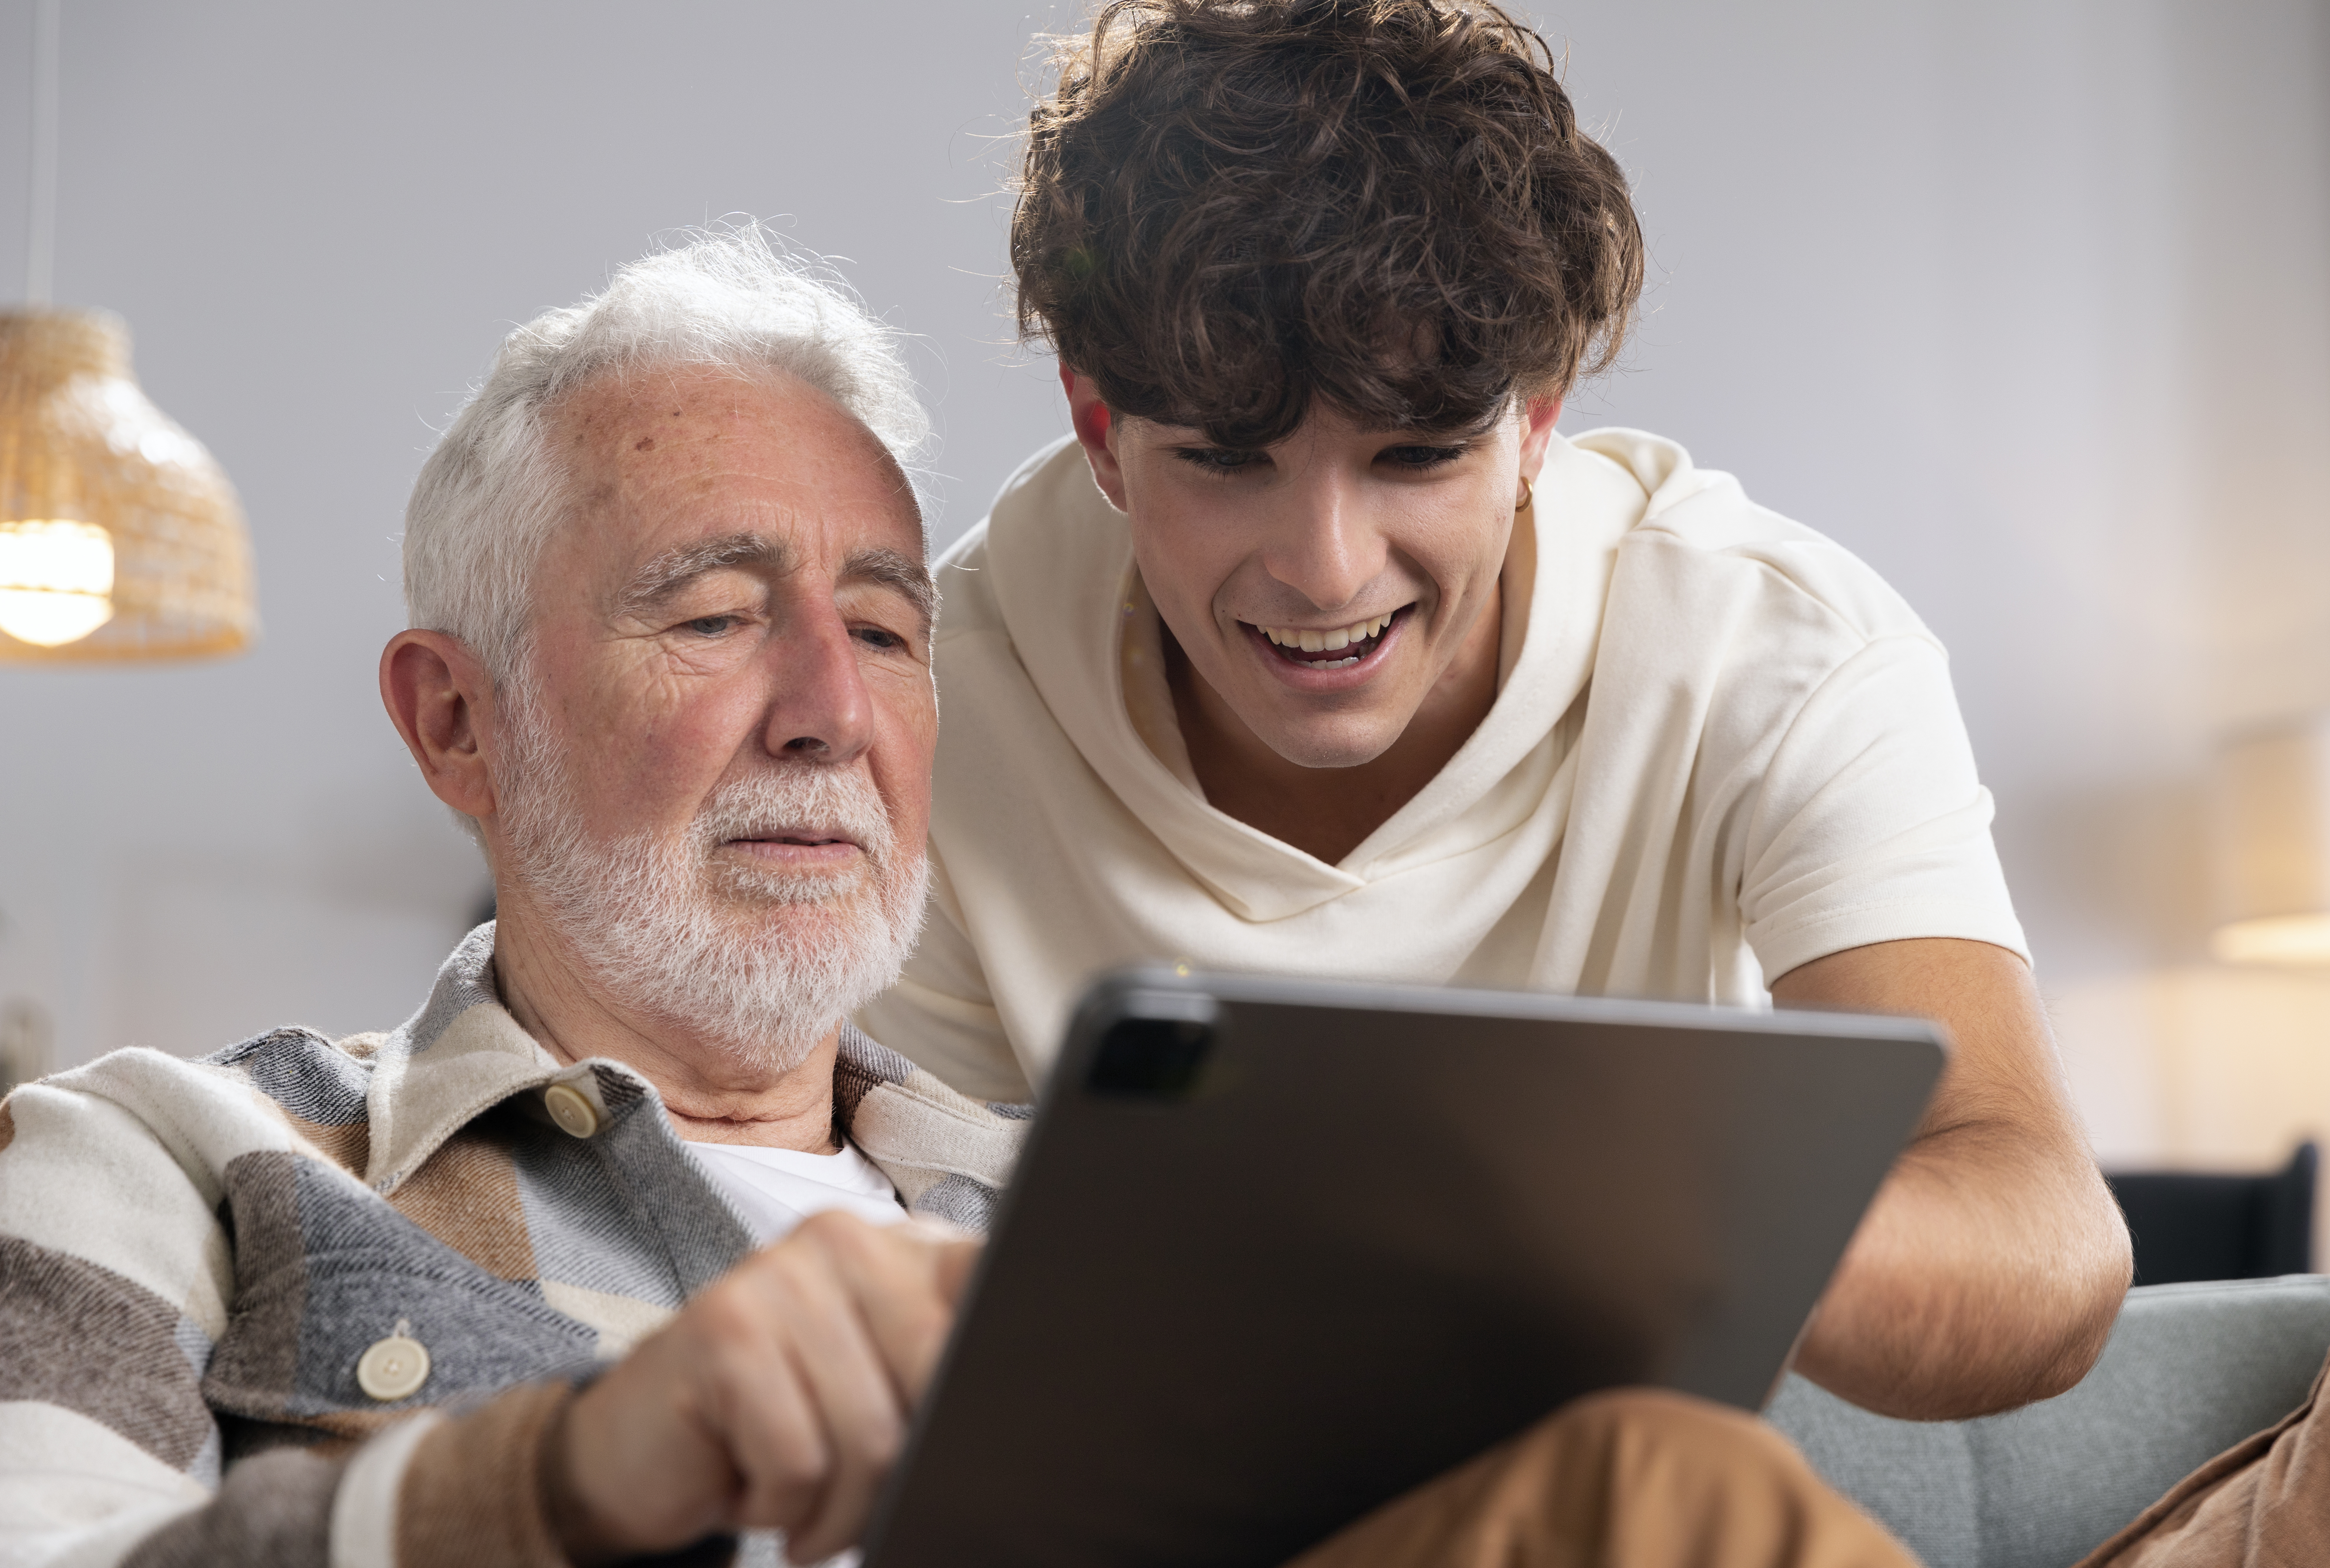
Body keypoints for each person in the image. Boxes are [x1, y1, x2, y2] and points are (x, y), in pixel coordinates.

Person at [0, 227, 1933, 1568]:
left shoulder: (1119, 1220)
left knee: (1649, 1481)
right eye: (711, 615)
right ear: (455, 720)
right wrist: (571, 1474)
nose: (830, 713)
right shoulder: (174, 1155)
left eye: (880, 627)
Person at [856, 0, 2134, 1425]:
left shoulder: (1766, 650)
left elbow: (2046, 1251)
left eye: (1417, 454)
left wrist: (1595, 1223)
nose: (1325, 569)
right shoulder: (932, 707)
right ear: (1101, 432)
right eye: (1228, 460)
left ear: (1534, 423)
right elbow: (909, 1286)